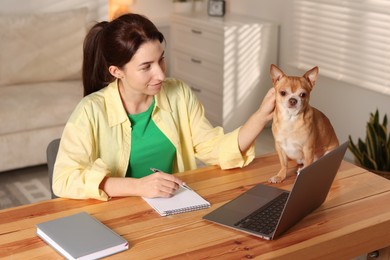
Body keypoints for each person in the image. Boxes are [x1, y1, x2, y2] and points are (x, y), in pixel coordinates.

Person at [52, 13, 275, 201]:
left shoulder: (178, 94)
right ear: (116, 72)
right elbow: (63, 180)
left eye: (161, 60)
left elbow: (214, 147)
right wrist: (138, 187)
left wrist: (261, 116)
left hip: (173, 207)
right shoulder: (90, 111)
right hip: (116, 215)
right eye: (146, 66)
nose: (160, 74)